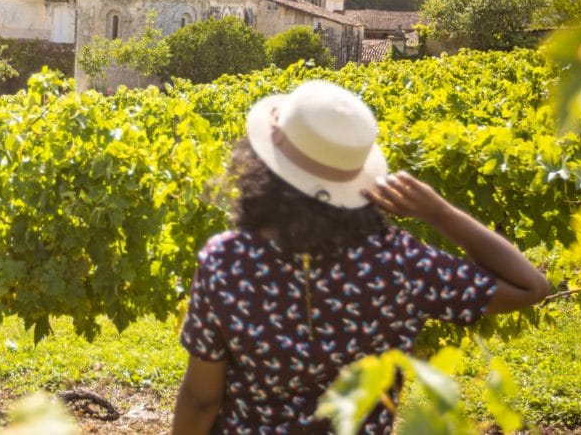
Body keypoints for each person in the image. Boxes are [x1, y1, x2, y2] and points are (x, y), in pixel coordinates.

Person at [172, 80, 550, 434]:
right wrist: (439, 212)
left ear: (264, 165)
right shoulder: (400, 263)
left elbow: (202, 400)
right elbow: (530, 286)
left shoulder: (227, 261)